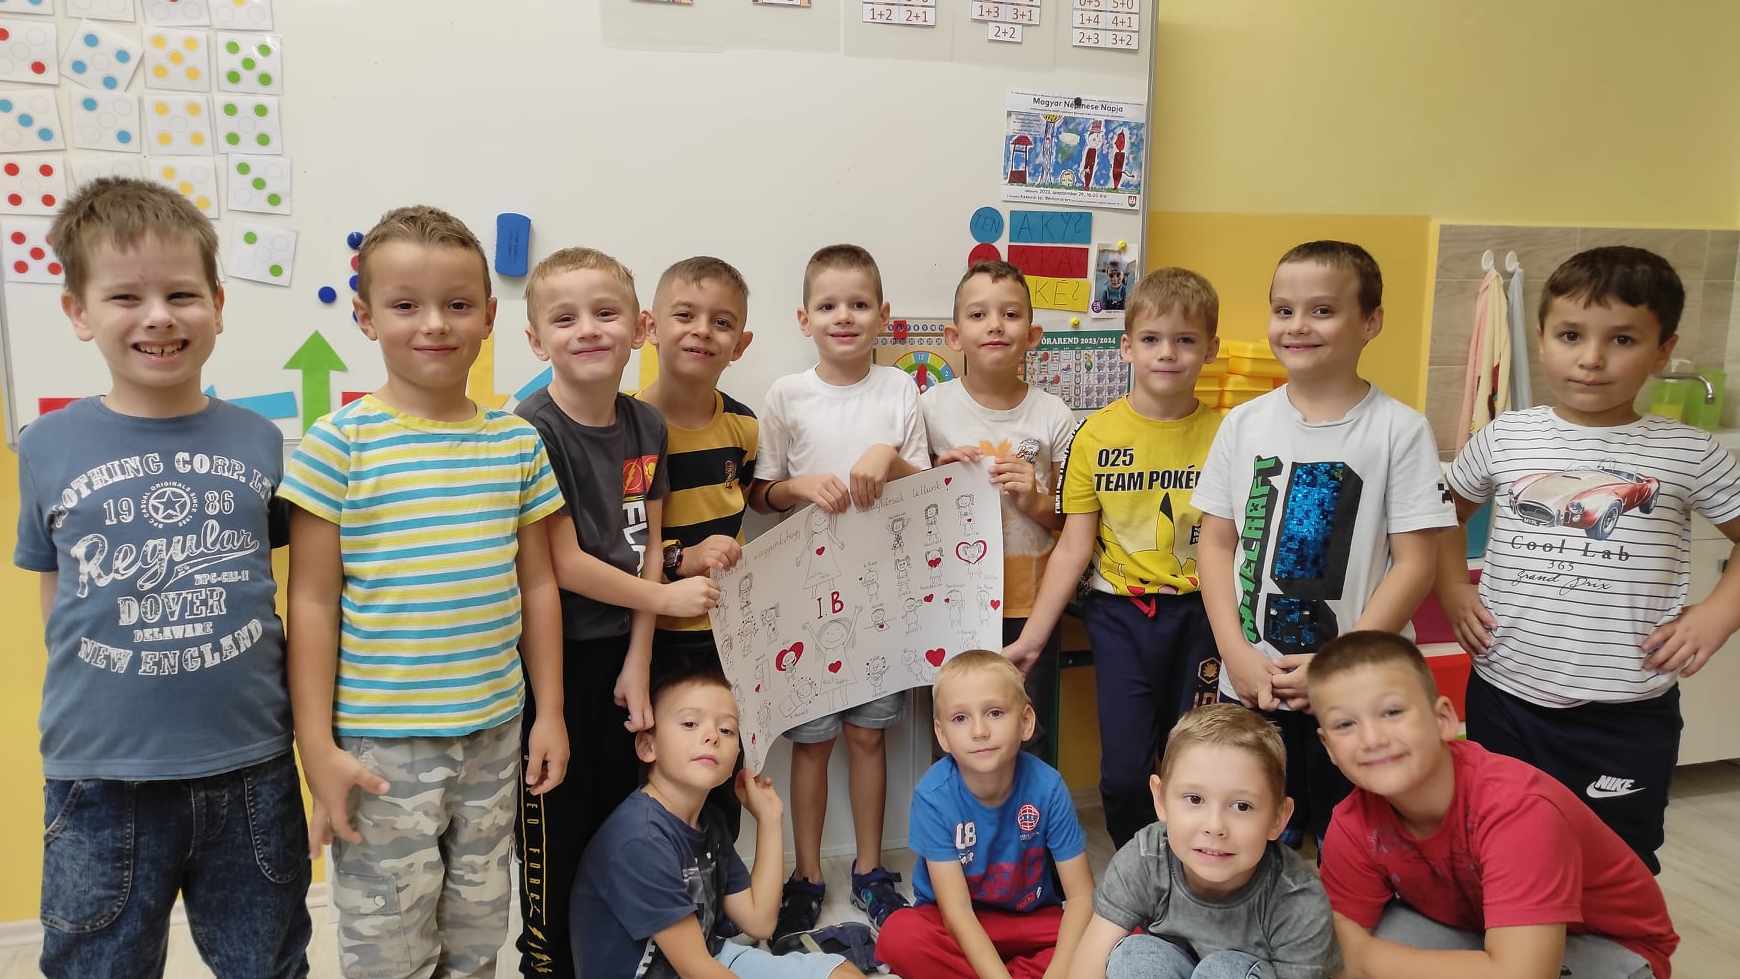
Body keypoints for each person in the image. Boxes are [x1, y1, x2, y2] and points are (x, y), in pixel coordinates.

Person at [22, 176, 311, 977]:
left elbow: (279, 581)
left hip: (252, 766)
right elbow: (58, 591)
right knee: (97, 965)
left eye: (182, 293)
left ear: (217, 303)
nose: (159, 316)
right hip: (100, 776)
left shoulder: (260, 440)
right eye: (126, 296)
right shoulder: (45, 446)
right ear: (78, 311)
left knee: (268, 963)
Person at [281, 205, 569, 978]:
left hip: (495, 734)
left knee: (477, 938)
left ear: (490, 317)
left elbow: (539, 583)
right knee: (391, 949)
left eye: (458, 304)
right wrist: (316, 747)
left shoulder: (517, 442)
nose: (435, 324)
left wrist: (550, 712)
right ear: (366, 316)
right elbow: (310, 603)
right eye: (406, 304)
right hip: (382, 746)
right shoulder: (338, 445)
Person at [1438, 245, 1740, 874]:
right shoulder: (1507, 435)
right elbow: (1442, 517)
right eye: (1571, 335)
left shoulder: (1689, 453)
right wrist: (1454, 590)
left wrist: (1717, 615)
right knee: (1502, 848)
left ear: (1662, 350)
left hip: (1626, 712)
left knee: (1615, 861)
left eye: (1622, 339)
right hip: (1504, 694)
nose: (1592, 358)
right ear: (1542, 338)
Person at [1194, 240, 1454, 843]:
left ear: (1371, 322)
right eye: (1283, 310)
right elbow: (1216, 543)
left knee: (1357, 842)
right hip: (1252, 683)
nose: (1298, 326)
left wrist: (1337, 666)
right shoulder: (1242, 424)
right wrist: (1235, 652)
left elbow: (1415, 563)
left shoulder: (1400, 430)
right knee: (1254, 837)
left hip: (1358, 691)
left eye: (1322, 310)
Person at [513, 246, 721, 975]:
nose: (588, 330)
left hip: (627, 651)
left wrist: (639, 655)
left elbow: (649, 543)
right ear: (536, 339)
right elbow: (562, 563)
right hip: (554, 658)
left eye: (605, 313)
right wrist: (663, 598)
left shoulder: (646, 426)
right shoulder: (531, 429)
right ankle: (549, 963)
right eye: (564, 318)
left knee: (622, 818)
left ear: (639, 328)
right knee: (556, 826)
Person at [1311, 631, 1678, 979]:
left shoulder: (1518, 809)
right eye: (1345, 724)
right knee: (1367, 936)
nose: (1372, 739)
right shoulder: (1351, 821)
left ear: (1443, 720)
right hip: (1483, 931)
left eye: (1392, 712)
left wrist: (1364, 958)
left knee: (1370, 951)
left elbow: (1523, 975)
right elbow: (1336, 944)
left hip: (1604, 946)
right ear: (1328, 748)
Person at [748, 244, 930, 939]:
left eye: (858, 304)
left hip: (880, 596)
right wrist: (797, 487)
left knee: (867, 736)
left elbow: (927, 486)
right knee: (813, 743)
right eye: (828, 305)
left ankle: (871, 870)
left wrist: (888, 457)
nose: (844, 316)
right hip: (806, 597)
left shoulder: (899, 390)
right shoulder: (787, 396)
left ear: (883, 315)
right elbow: (761, 493)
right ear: (804, 318)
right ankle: (806, 874)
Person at [1007, 268, 1225, 848]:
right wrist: (1031, 639)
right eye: (1152, 339)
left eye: (1185, 340)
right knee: (1126, 772)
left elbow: (1234, 543)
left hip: (1204, 614)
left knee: (1197, 758)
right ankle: (1139, 864)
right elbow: (1073, 544)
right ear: (1127, 347)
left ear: (1210, 349)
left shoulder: (1228, 434)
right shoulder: (1095, 436)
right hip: (1121, 616)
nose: (1167, 353)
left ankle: (1193, 867)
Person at [572, 667, 866, 979]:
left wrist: (769, 819)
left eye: (726, 730)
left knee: (841, 973)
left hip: (710, 956)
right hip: (683, 970)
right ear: (648, 746)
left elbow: (760, 922)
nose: (712, 736)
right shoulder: (639, 839)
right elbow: (696, 970)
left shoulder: (708, 821)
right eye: (690, 723)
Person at [923, 261, 1077, 763]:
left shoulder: (1053, 414)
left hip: (1031, 605)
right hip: (953, 601)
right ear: (954, 336)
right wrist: (935, 478)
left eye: (1010, 314)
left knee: (1031, 729)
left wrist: (1034, 500)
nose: (995, 325)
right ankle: (955, 815)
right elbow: (906, 512)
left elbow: (1071, 521)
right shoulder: (930, 408)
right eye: (978, 315)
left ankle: (1033, 816)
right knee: (956, 731)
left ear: (1031, 335)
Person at [1070, 704, 1339, 979]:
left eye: (1242, 806)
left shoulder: (1296, 898)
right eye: (1195, 799)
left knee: (1223, 971)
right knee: (1133, 956)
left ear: (1278, 818)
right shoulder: (1147, 857)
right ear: (1161, 800)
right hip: (1174, 967)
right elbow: (1090, 960)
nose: (1215, 826)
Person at [875, 651, 1094, 978]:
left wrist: (1059, 971)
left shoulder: (1048, 787)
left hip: (1029, 920)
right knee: (899, 935)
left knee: (1118, 935)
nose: (979, 731)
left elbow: (1080, 896)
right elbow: (957, 914)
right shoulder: (932, 797)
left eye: (994, 713)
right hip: (959, 923)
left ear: (1026, 722)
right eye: (960, 718)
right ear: (942, 735)